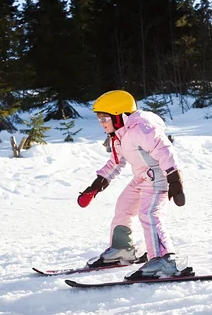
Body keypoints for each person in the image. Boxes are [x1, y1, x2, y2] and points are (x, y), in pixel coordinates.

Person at [78, 90, 189, 280]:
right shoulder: (118, 136)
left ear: (119, 116)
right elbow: (115, 163)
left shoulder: (142, 129)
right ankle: (123, 249)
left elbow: (165, 151)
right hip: (140, 179)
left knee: (149, 214)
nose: (101, 124)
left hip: (158, 178)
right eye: (99, 119)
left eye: (104, 119)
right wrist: (95, 186)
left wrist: (175, 181)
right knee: (123, 207)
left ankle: (165, 259)